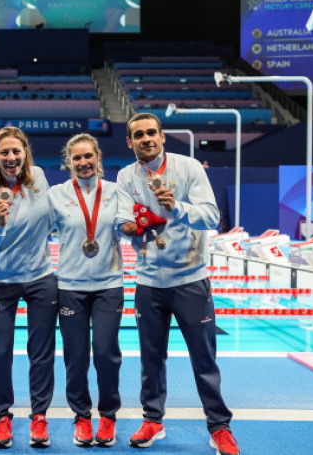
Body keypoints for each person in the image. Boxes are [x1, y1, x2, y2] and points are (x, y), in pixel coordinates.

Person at [116, 113, 240, 455]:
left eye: (151, 133)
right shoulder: (127, 176)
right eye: (138, 135)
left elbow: (212, 216)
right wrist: (129, 226)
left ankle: (219, 427)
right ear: (130, 142)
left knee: (204, 359)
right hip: (149, 283)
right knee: (151, 358)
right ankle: (153, 420)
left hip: (190, 280)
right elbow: (123, 219)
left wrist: (178, 207)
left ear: (162, 136)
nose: (146, 139)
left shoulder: (188, 168)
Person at [0, 126, 58, 449]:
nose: (11, 158)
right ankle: (3, 416)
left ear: (26, 153)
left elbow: (51, 220)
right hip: (0, 284)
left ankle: (39, 416)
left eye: (16, 152)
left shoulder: (38, 178)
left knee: (41, 353)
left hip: (40, 279)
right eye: (4, 153)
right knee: (0, 353)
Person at [48, 133, 123, 447]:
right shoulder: (55, 194)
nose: (83, 163)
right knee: (75, 357)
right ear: (69, 163)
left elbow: (134, 226)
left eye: (88, 156)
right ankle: (81, 415)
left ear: (98, 158)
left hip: (109, 285)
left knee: (106, 353)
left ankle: (108, 415)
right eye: (76, 158)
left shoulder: (118, 192)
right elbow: (38, 231)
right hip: (70, 286)